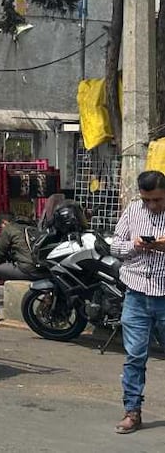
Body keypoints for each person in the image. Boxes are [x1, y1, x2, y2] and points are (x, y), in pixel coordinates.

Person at [110, 170, 165, 435]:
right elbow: (114, 246)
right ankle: (132, 412)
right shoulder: (133, 210)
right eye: (148, 201)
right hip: (136, 295)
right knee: (134, 357)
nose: (153, 206)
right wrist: (135, 245)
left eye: (159, 200)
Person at [0, 214, 41, 314]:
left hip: (27, 269)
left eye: (0, 227)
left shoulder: (8, 229)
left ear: (4, 222)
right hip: (42, 269)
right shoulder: (33, 227)